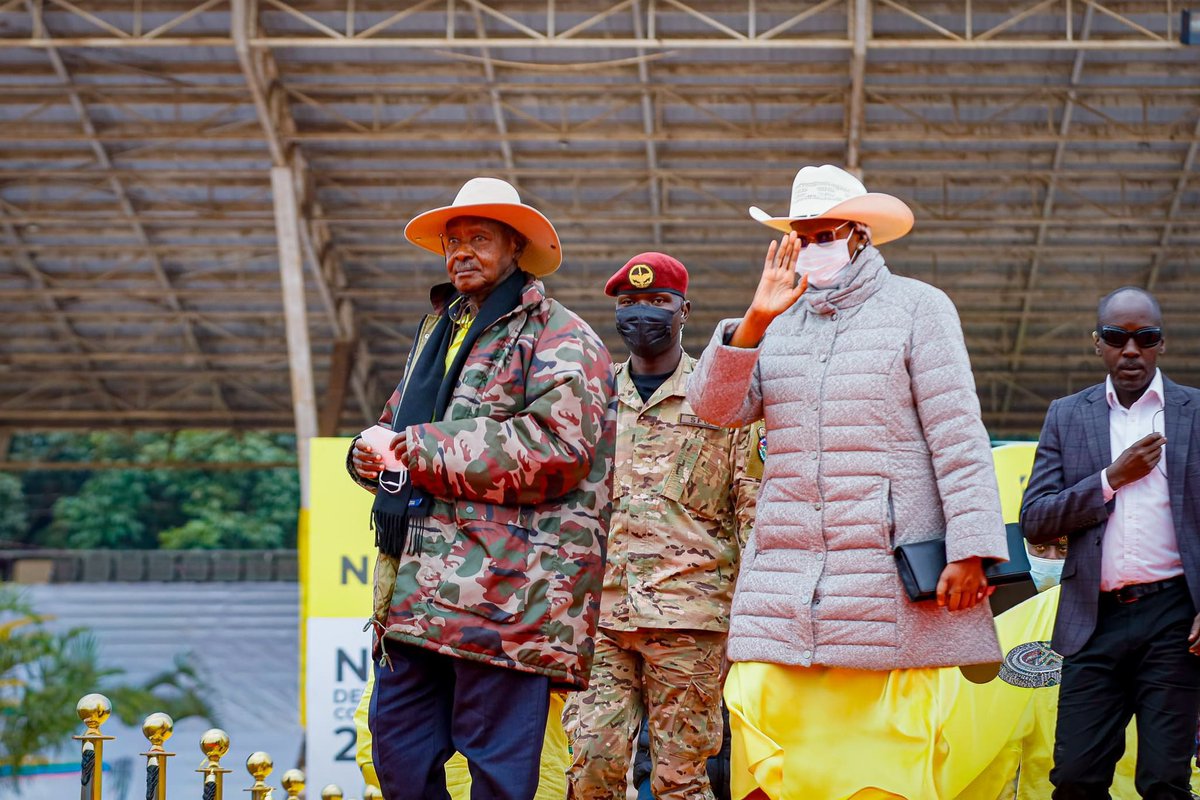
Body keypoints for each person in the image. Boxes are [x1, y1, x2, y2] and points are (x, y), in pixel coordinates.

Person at [685, 164, 1009, 799]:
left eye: (824, 232)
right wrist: (753, 321)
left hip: (884, 584)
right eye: (800, 235)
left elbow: (959, 437)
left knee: (881, 756)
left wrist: (971, 550)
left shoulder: (919, 308)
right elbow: (713, 411)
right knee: (763, 723)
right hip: (783, 585)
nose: (811, 246)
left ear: (860, 234)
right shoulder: (774, 322)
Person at [346, 177, 617, 800]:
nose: (461, 252)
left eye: (479, 238)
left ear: (515, 247)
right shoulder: (441, 334)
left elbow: (557, 451)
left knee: (498, 777)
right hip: (417, 595)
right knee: (396, 754)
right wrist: (367, 456)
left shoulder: (561, 336)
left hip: (507, 602)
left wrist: (411, 450)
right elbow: (394, 428)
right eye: (453, 241)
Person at [567, 253, 760, 800]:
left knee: (682, 779)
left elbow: (751, 509)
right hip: (600, 617)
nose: (641, 314)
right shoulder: (591, 399)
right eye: (629, 304)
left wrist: (747, 622)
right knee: (591, 763)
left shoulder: (721, 395)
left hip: (691, 620)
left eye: (657, 303)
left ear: (684, 310)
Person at [1021, 286, 1200, 799]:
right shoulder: (1067, 415)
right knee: (1076, 778)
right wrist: (1110, 479)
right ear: (1096, 343)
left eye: (1145, 337)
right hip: (1091, 619)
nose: (1131, 350)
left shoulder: (1194, 412)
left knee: (1165, 781)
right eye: (1117, 338)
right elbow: (1034, 518)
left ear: (1161, 344)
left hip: (1174, 619)